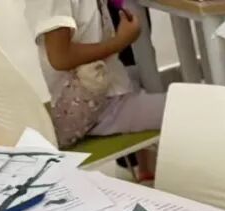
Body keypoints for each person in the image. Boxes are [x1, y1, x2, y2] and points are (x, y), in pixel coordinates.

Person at [24, 0, 164, 173]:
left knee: (145, 75)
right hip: (100, 108)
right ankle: (151, 170)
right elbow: (60, 57)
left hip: (107, 91)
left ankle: (148, 170)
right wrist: (120, 42)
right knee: (185, 110)